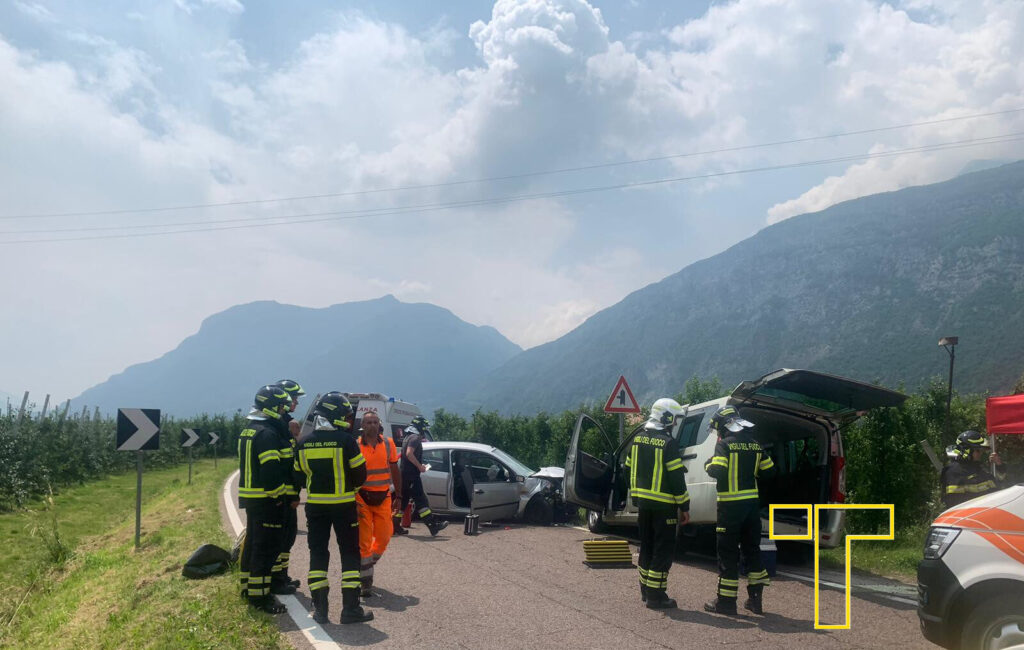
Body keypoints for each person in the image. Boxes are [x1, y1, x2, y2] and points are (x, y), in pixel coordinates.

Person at [294, 391, 374, 624]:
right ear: (336, 415)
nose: (349, 420)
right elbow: (360, 475)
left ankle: (320, 610)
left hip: (316, 508)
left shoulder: (304, 443)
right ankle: (350, 609)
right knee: (349, 555)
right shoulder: (346, 441)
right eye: (346, 415)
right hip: (344, 507)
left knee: (318, 555)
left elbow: (297, 478)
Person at [703, 406, 776, 616]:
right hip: (751, 508)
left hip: (729, 508)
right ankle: (755, 601)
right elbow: (770, 472)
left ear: (724, 427)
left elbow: (717, 469)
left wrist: (708, 464)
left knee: (727, 554)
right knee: (752, 552)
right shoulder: (755, 446)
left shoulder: (725, 445)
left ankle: (726, 603)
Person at [627, 397, 691, 609]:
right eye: (674, 420)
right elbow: (676, 478)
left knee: (646, 547)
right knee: (662, 551)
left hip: (643, 506)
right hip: (665, 507)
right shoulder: (668, 443)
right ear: (666, 417)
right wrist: (685, 505)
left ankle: (646, 591)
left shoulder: (638, 439)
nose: (674, 424)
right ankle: (656, 596)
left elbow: (628, 466)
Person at [237, 384, 292, 614]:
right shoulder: (268, 434)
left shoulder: (250, 429)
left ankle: (247, 587)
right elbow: (270, 472)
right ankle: (261, 598)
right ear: (271, 407)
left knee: (251, 545)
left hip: (251, 499)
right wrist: (280, 495)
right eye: (281, 407)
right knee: (265, 548)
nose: (283, 411)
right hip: (266, 499)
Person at [356, 411, 402, 597]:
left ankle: (365, 565)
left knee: (384, 536)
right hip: (362, 498)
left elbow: (395, 470)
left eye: (375, 422)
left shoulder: (389, 444)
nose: (372, 425)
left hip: (384, 497)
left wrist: (399, 496)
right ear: (363, 425)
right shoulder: (356, 445)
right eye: (368, 422)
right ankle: (366, 582)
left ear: (379, 424)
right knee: (364, 541)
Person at [270, 379, 305, 594]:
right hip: (281, 493)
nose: (296, 403)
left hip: (288, 491)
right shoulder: (280, 424)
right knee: (280, 539)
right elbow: (285, 463)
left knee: (288, 537)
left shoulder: (285, 422)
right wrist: (291, 493)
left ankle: (282, 576)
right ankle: (276, 580)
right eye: (294, 398)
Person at [398, 416, 449, 537]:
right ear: (421, 427)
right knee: (421, 501)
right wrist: (420, 466)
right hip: (412, 476)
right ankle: (433, 526)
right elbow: (409, 454)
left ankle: (394, 526)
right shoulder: (415, 438)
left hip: (405, 475)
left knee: (403, 502)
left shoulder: (407, 437)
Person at [940, 430, 1003, 509]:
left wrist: (999, 465)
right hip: (973, 517)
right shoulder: (954, 472)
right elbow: (955, 504)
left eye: (981, 450)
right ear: (967, 450)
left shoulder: (980, 467)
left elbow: (1000, 483)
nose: (981, 453)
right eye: (977, 450)